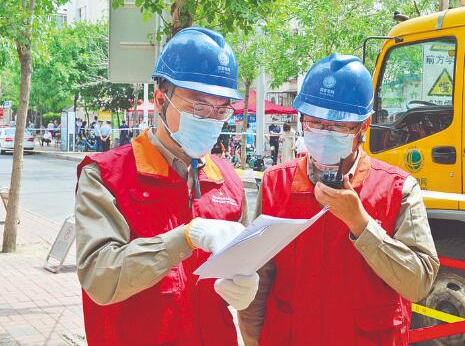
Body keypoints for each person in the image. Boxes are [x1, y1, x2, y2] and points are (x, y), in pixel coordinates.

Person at [75, 27, 259, 346]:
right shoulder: (106, 176)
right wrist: (183, 238)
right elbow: (100, 278)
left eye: (221, 110)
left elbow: (237, 265)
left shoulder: (228, 182)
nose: (210, 119)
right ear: (161, 99)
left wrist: (244, 287)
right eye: (199, 107)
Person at [238, 53, 439, 345]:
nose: (323, 133)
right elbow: (257, 281)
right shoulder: (276, 184)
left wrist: (361, 224)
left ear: (363, 127)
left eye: (338, 126)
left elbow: (418, 281)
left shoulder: (397, 189)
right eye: (315, 123)